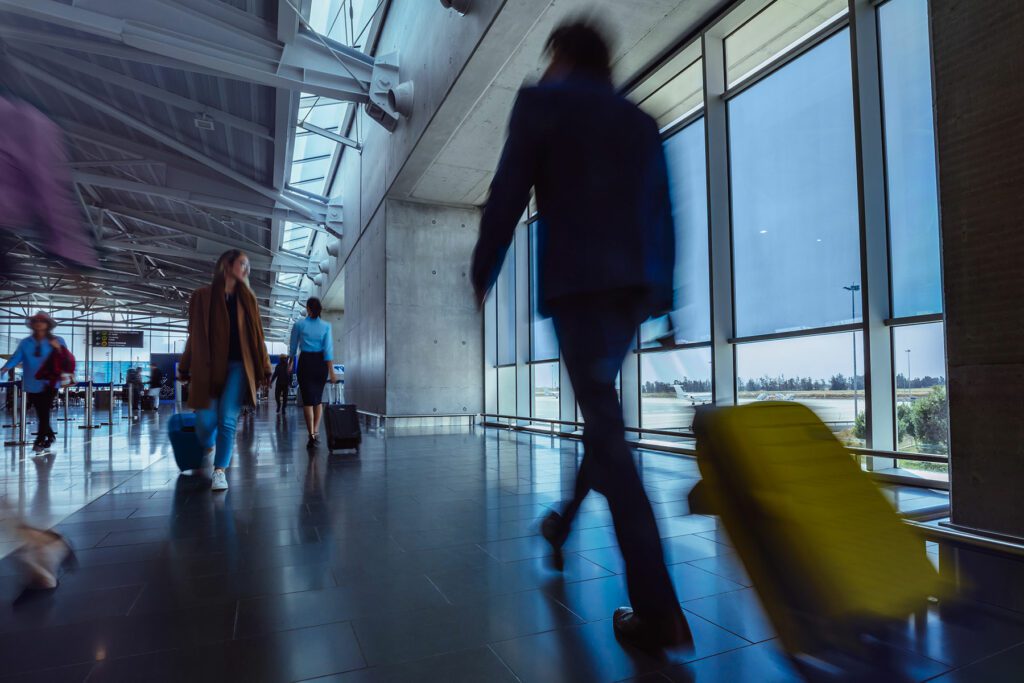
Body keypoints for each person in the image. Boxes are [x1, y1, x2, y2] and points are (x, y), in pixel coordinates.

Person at [470, 19, 690, 650]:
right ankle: (562, 527)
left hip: (579, 293)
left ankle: (659, 607)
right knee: (605, 425)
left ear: (562, 57)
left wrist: (484, 267)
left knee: (610, 438)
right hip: (627, 300)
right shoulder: (640, 123)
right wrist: (666, 303)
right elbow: (662, 213)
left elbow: (507, 190)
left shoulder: (542, 104)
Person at [178, 250, 271, 492]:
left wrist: (265, 367)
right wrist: (185, 364)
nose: (247, 269)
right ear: (226, 266)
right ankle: (208, 446)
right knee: (206, 422)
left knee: (228, 420)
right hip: (208, 367)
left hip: (240, 367)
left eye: (248, 265)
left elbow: (258, 338)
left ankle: (220, 470)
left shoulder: (248, 300)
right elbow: (194, 335)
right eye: (243, 264)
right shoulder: (201, 297)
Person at [0, 312, 69, 453]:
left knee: (44, 410)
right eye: (36, 321)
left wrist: (57, 348)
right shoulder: (26, 343)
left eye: (42, 321)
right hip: (32, 381)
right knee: (40, 411)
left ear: (48, 324)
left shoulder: (58, 340)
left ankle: (40, 440)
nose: (39, 323)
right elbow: (16, 357)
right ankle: (49, 436)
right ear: (32, 324)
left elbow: (66, 358)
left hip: (50, 381)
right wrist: (5, 368)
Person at [289, 297, 336, 450]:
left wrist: (290, 364)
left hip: (306, 363)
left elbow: (293, 348)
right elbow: (328, 351)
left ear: (308, 309)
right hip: (320, 364)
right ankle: (315, 431)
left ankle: (311, 434)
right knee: (318, 400)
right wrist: (332, 371)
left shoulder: (299, 325)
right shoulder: (326, 326)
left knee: (308, 401)